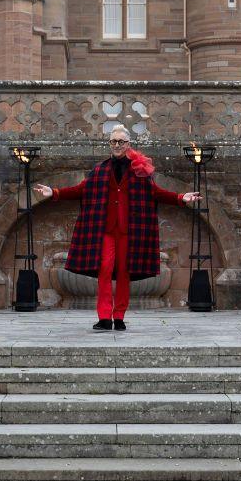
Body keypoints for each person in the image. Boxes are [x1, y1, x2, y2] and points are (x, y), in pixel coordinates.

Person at [35, 126, 202, 331]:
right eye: (113, 141)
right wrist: (54, 192)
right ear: (110, 144)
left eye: (121, 142)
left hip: (130, 231)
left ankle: (119, 316)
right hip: (105, 230)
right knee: (104, 271)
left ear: (128, 144)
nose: (116, 145)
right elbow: (80, 189)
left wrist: (180, 198)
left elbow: (156, 193)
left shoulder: (139, 171)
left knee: (124, 273)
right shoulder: (100, 170)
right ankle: (104, 317)